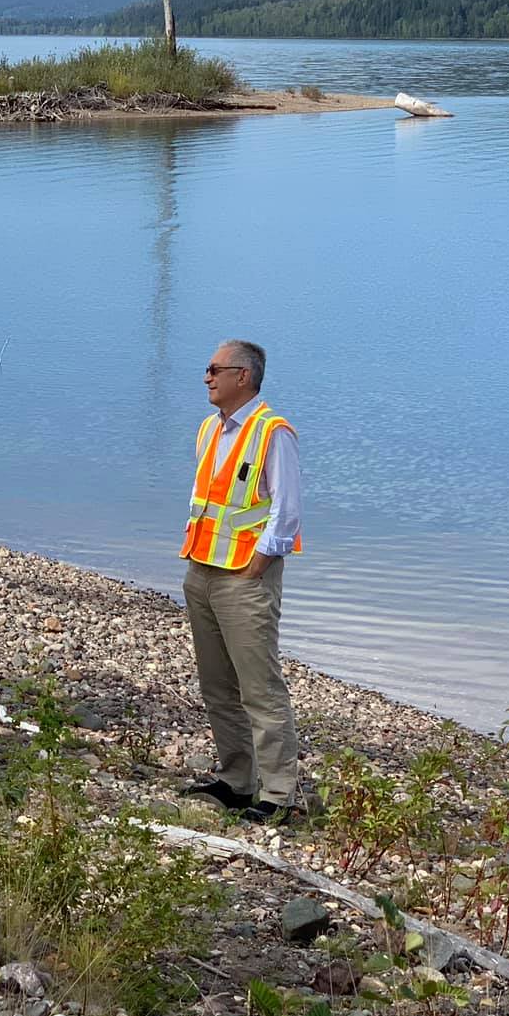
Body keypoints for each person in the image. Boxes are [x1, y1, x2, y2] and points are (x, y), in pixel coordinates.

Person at [179, 338, 303, 822]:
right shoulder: (210, 429)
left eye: (214, 369)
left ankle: (277, 794)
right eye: (207, 369)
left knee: (259, 687)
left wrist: (260, 562)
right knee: (217, 685)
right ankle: (236, 781)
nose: (207, 377)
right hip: (202, 568)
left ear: (243, 376)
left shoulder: (273, 432)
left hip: (245, 577)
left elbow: (286, 511)